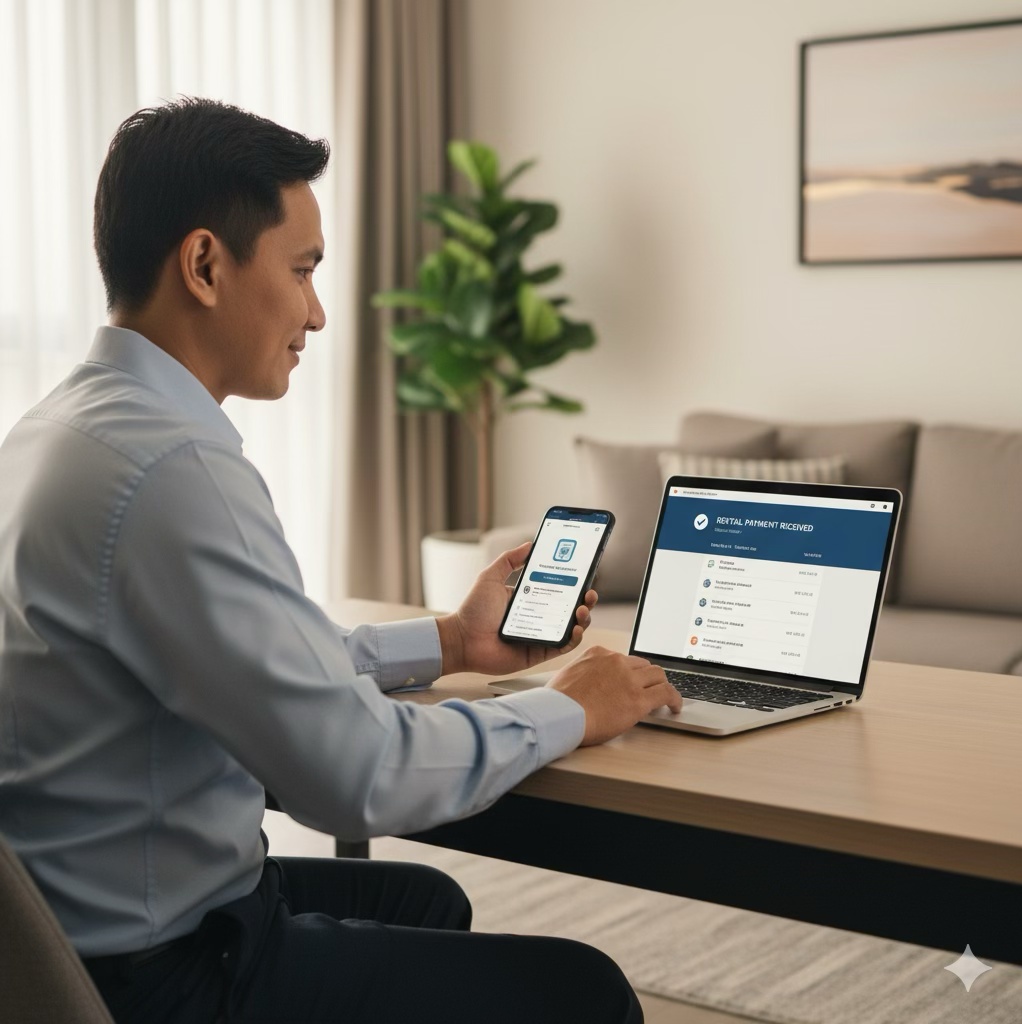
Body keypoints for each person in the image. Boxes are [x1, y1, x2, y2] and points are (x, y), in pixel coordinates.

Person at [0, 98, 681, 1024]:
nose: (317, 314)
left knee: (427, 903)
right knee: (586, 992)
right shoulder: (171, 469)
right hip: (159, 971)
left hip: (64, 932)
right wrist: (563, 709)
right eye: (303, 270)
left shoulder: (57, 431)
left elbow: (249, 668)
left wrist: (448, 641)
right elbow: (356, 773)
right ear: (205, 265)